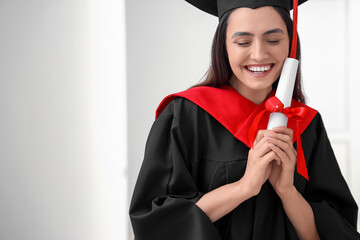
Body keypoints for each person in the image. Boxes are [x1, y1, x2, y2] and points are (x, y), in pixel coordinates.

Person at [129, 0, 360, 239]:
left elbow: (335, 232)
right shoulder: (184, 117)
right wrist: (244, 187)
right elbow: (157, 227)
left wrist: (287, 191)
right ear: (223, 47)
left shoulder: (305, 124)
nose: (259, 54)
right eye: (243, 42)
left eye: (273, 40)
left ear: (291, 46)